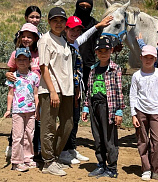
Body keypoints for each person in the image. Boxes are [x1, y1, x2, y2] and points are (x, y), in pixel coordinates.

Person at [59, 15, 113, 165]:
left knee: (74, 119)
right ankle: (62, 151)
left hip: (76, 88)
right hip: (65, 88)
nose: (75, 33)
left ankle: (71, 149)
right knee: (66, 120)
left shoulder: (75, 43)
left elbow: (85, 35)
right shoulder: (61, 44)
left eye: (77, 30)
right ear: (66, 29)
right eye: (72, 29)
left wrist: (99, 26)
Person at [82, 36, 125, 178]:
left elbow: (119, 91)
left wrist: (119, 110)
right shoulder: (93, 69)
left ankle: (112, 168)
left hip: (109, 107)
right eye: (99, 51)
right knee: (98, 137)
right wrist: (86, 107)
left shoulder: (115, 69)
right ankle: (101, 164)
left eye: (106, 50)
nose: (103, 53)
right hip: (95, 105)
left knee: (109, 138)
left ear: (111, 50)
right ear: (96, 52)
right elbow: (89, 89)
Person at [38, 7, 74, 176]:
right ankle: (48, 162)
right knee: (49, 126)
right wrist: (52, 91)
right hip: (50, 89)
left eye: (61, 21)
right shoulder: (45, 40)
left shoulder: (64, 40)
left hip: (67, 90)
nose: (58, 24)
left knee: (68, 124)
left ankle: (54, 156)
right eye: (55, 20)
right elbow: (44, 68)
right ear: (49, 22)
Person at [130, 45, 158, 181]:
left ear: (155, 58)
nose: (148, 60)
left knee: (157, 141)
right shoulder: (136, 75)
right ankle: (146, 168)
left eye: (151, 58)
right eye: (145, 57)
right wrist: (133, 114)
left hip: (156, 112)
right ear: (141, 58)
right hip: (141, 111)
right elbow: (133, 95)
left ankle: (157, 170)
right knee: (142, 140)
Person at [5, 22, 41, 163]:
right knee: (18, 133)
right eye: (24, 36)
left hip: (32, 105)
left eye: (29, 36)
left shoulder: (39, 54)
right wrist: (9, 109)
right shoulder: (16, 53)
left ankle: (29, 156)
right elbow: (10, 72)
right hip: (18, 108)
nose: (26, 39)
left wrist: (37, 108)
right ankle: (16, 159)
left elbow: (36, 93)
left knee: (30, 133)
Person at [73, 0, 103, 93]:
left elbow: (101, 43)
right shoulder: (70, 24)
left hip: (89, 66)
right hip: (71, 67)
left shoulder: (96, 25)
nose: (84, 9)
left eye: (87, 7)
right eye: (82, 6)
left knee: (89, 96)